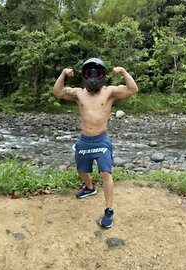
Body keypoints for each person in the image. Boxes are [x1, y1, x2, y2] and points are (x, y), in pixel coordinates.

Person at [53, 58, 138, 228]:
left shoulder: (110, 92)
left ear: (102, 75)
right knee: (81, 171)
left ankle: (109, 211)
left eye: (96, 73)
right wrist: (63, 73)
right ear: (84, 75)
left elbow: (133, 89)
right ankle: (90, 187)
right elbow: (58, 92)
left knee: (106, 173)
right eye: (89, 73)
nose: (93, 77)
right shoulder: (78, 93)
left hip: (101, 140)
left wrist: (122, 71)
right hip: (84, 140)